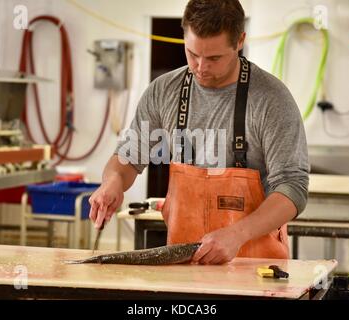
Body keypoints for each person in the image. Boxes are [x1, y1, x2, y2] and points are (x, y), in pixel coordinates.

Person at [88, 0, 309, 264]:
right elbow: (127, 158)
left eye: (214, 58)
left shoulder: (271, 99)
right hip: (182, 264)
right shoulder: (163, 92)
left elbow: (293, 188)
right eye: (192, 54)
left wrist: (237, 234)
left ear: (240, 41)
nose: (201, 67)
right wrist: (112, 182)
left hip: (254, 266)